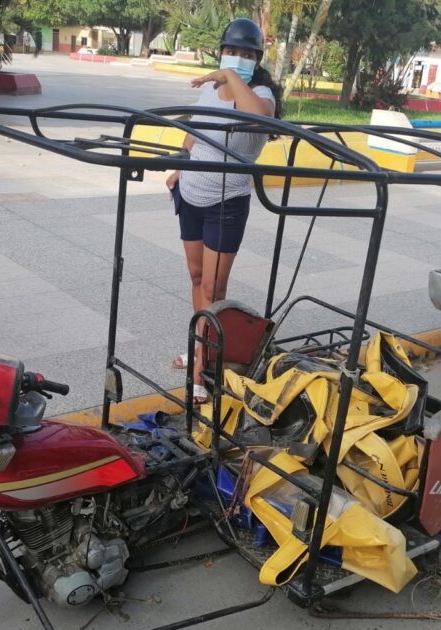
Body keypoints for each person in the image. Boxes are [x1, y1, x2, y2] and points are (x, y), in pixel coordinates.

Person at [166, 18, 281, 403]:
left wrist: (230, 77)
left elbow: (258, 117)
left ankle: (203, 365)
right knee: (197, 276)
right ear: (221, 51)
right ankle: (201, 347)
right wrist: (180, 164)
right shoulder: (209, 90)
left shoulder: (261, 93)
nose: (237, 59)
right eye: (231, 51)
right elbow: (196, 131)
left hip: (226, 203)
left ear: (257, 59)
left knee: (214, 289)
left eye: (246, 54)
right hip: (191, 193)